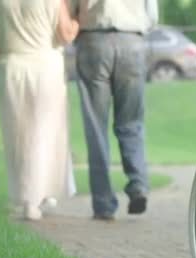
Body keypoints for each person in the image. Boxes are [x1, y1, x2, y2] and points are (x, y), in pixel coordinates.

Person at [0, 0, 79, 220]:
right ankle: (42, 194)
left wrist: (0, 61)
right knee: (47, 132)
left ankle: (29, 198)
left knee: (18, 135)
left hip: (11, 67)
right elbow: (65, 34)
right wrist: (76, 22)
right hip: (45, 66)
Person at [71, 0, 158, 221]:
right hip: (132, 40)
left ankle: (103, 204)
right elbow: (152, 16)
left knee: (96, 127)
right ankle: (138, 184)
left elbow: (70, 8)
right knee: (131, 122)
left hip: (93, 40)